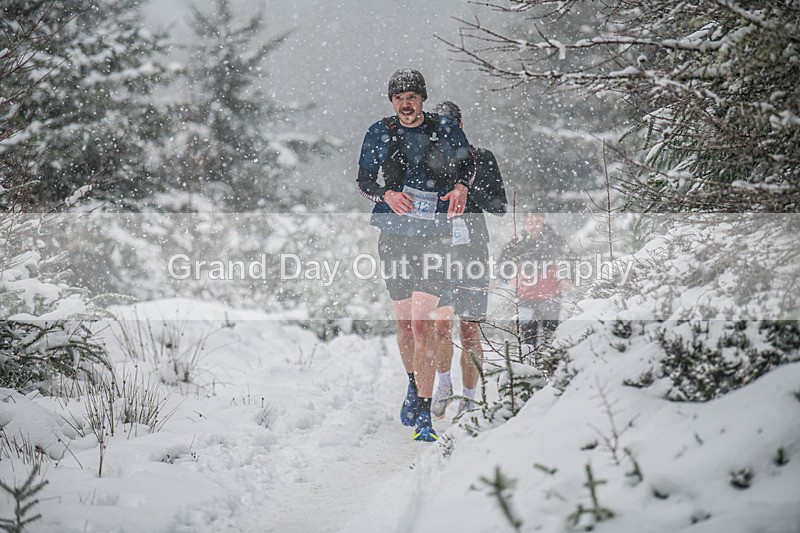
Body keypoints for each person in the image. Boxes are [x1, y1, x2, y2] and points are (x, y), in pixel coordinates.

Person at [356, 69, 473, 442]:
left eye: (412, 97)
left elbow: (468, 165)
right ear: (392, 102)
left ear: (423, 99)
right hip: (394, 235)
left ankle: (423, 412)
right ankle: (413, 384)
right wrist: (385, 195)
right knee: (405, 325)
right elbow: (363, 179)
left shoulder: (445, 129)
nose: (406, 104)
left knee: (422, 324)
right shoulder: (380, 132)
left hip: (435, 236)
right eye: (399, 98)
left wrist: (460, 187)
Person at [430, 101, 507, 421]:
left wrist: (468, 187)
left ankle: (471, 399)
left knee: (470, 329)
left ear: (460, 126)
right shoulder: (428, 160)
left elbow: (500, 206)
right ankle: (445, 386)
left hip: (474, 249)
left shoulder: (482, 158)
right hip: (439, 251)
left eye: (451, 126)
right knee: (441, 325)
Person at [500, 213, 571, 347]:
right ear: (525, 224)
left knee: (550, 337)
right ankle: (529, 365)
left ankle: (549, 364)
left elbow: (572, 260)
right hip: (525, 298)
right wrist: (511, 276)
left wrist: (566, 279)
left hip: (551, 297)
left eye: (537, 222)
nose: (534, 226)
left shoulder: (556, 241)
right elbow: (502, 266)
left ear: (543, 222)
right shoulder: (516, 243)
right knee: (528, 340)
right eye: (530, 223)